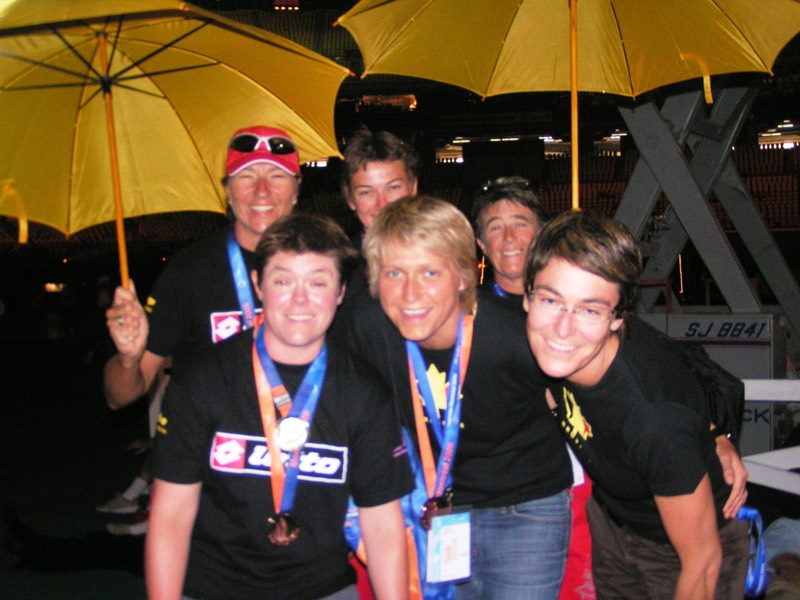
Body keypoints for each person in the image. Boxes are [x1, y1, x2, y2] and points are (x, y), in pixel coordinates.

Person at [146, 214, 412, 600]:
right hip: (211, 587)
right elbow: (171, 514)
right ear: (258, 285)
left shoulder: (364, 392)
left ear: (340, 291)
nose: (300, 299)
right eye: (283, 281)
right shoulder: (203, 379)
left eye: (318, 282)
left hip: (322, 587)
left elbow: (383, 526)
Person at [346, 195, 572, 599]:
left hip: (524, 507)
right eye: (394, 273)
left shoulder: (513, 337)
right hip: (438, 511)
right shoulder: (366, 328)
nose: (410, 294)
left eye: (430, 272)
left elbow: (596, 383)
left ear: (464, 277)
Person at [522, 210, 749, 599]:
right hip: (613, 522)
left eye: (589, 310)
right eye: (550, 300)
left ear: (618, 318)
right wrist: (713, 433)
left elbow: (703, 562)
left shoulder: (654, 424)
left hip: (679, 554)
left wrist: (705, 435)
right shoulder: (552, 346)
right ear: (528, 297)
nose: (562, 327)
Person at [103, 124, 301, 409]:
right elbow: (119, 397)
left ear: (296, 189)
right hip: (208, 435)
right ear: (227, 192)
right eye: (246, 176)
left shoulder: (326, 269)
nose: (262, 191)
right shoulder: (188, 272)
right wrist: (128, 360)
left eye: (276, 176)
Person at [471, 176, 546, 302]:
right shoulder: (468, 310)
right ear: (482, 244)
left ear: (541, 234)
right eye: (496, 228)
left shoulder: (569, 302)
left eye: (520, 225)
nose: (509, 237)